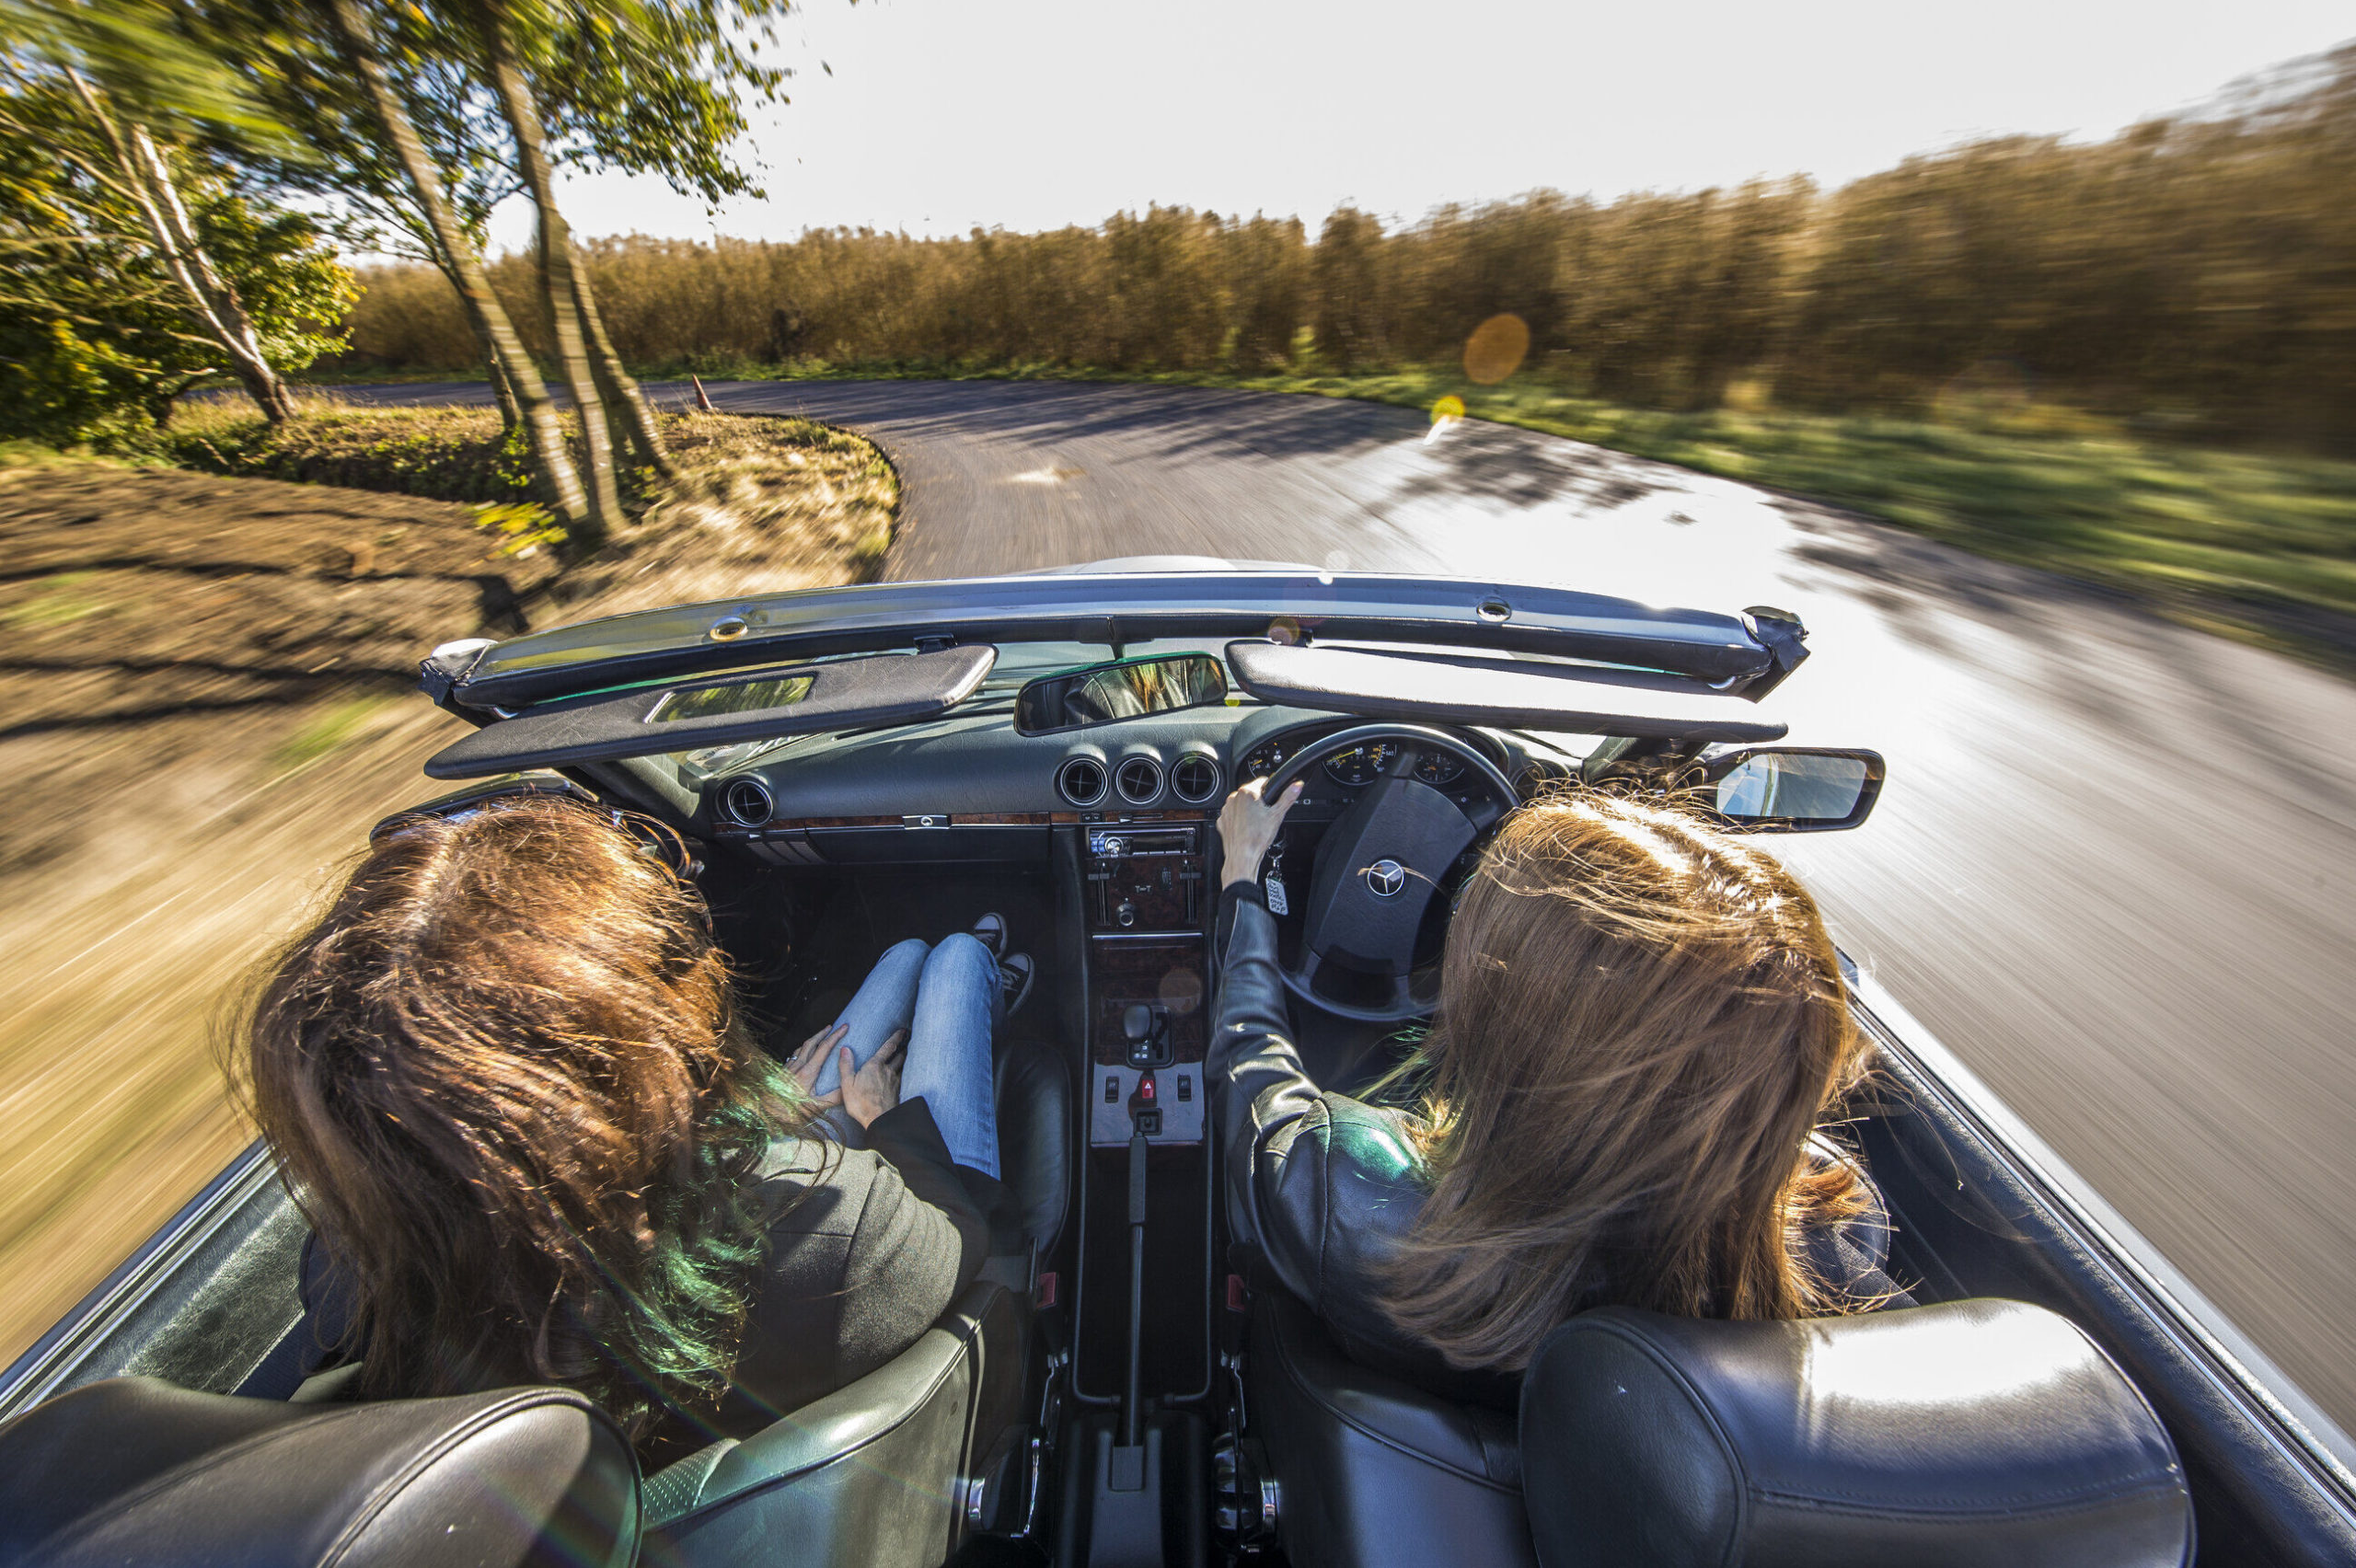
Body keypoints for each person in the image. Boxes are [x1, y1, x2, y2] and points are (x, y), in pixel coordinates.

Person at [236, 795, 1028, 1456]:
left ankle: (961, 979)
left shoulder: (352, 1280)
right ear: (635, 1066)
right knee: (947, 958)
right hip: (918, 1191)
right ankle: (984, 982)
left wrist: (757, 1113)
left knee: (901, 960)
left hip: (719, 1176)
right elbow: (956, 1232)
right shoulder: (835, 1237)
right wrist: (882, 1121)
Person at [1209, 778, 1907, 1406]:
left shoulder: (1348, 1197)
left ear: (1512, 1022)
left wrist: (1243, 881)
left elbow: (1251, 1067)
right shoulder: (1839, 1243)